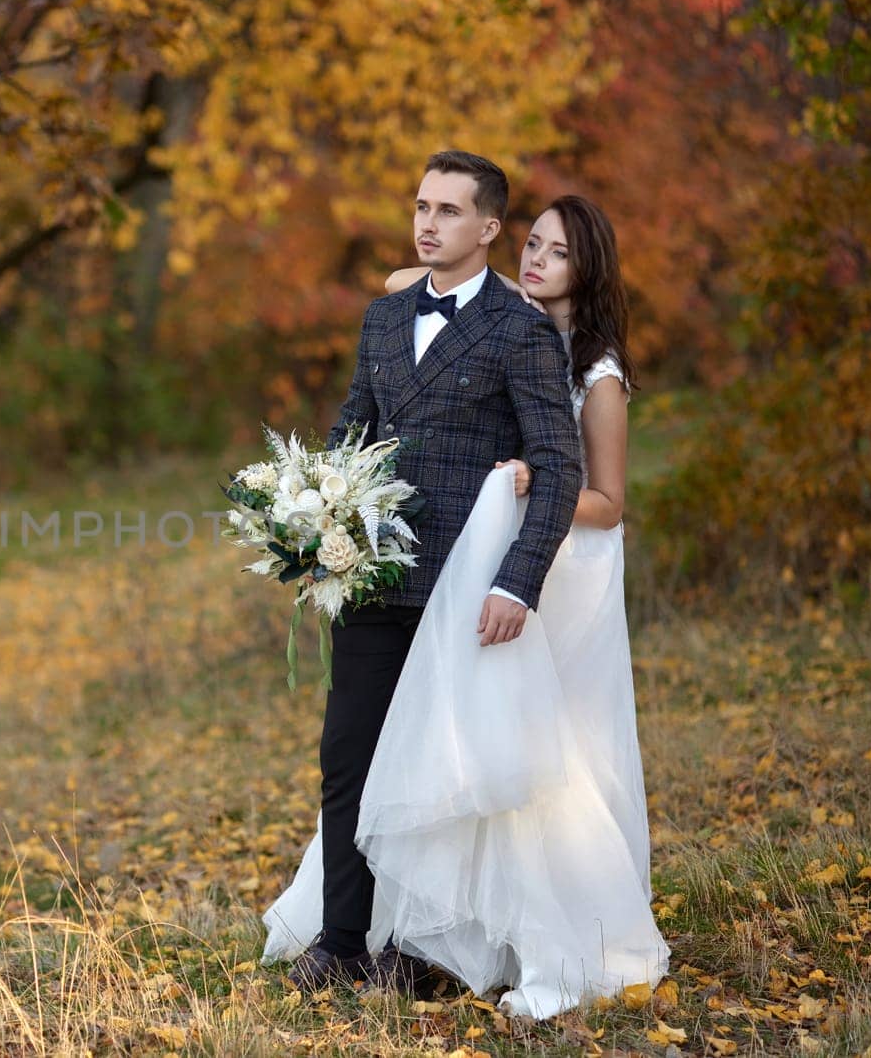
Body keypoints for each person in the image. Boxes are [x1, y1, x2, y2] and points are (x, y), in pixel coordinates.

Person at [263, 194, 670, 1019]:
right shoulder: (501, 318)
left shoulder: (596, 369)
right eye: (533, 244)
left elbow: (609, 500)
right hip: (473, 555)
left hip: (553, 560)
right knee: (435, 742)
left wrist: (521, 490)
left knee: (531, 755)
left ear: (587, 270)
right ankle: (402, 928)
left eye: (557, 254)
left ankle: (515, 926)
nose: (537, 261)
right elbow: (404, 276)